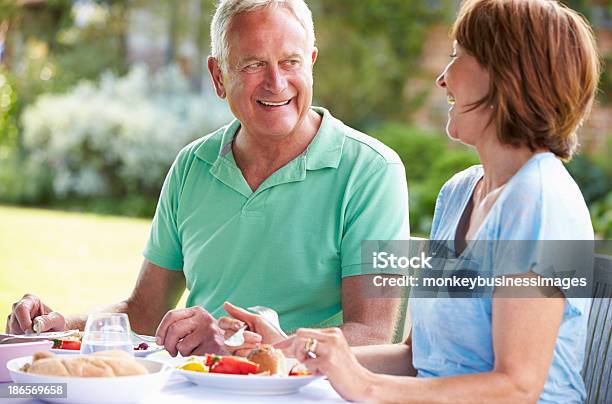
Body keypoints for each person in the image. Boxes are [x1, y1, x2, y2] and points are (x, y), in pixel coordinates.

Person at [6, 0, 409, 356]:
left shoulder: (373, 171)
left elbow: (373, 335)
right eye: (253, 64)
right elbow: (144, 312)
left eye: (291, 61)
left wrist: (247, 349)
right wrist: (62, 327)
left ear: (312, 62)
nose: (276, 82)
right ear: (218, 76)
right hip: (192, 387)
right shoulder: (192, 166)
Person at [272, 0, 601, 402]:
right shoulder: (459, 193)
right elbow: (417, 358)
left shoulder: (542, 202)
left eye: (458, 55)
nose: (442, 79)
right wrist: (292, 353)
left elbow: (517, 387)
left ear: (507, 75)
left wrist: (365, 385)